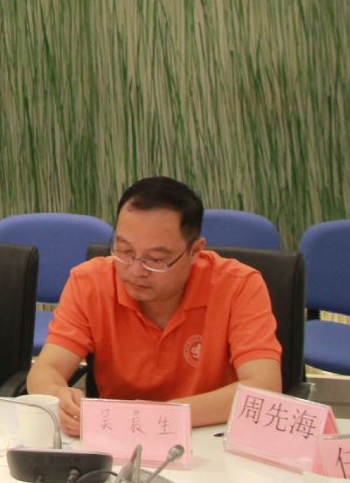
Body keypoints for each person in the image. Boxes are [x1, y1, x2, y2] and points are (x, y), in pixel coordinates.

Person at [27, 176, 282, 436]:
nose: (136, 271)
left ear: (195, 251)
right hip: (118, 439)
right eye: (125, 251)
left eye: (156, 259)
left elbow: (265, 387)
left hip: (208, 436)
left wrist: (160, 416)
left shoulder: (238, 286)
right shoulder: (90, 282)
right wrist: (59, 397)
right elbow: (46, 370)